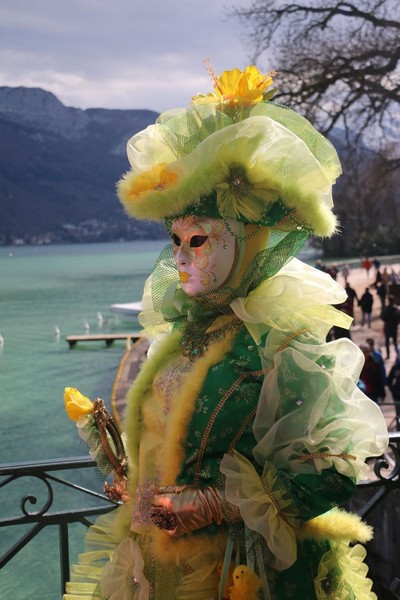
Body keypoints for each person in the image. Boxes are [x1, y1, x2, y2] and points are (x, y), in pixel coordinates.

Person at [63, 65, 388, 600]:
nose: (181, 257)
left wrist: (210, 505)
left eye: (200, 240)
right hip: (154, 568)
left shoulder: (279, 339)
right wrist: (134, 484)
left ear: (246, 239)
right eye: (175, 240)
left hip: (239, 573)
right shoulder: (182, 335)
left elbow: (331, 471)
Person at [381, 295, 400, 359]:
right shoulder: (396, 309)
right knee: (395, 342)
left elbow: (383, 318)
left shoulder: (386, 309)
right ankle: (397, 354)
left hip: (388, 327)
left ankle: (388, 355)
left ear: (389, 301)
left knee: (387, 342)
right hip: (394, 327)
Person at [387, 356, 400, 430]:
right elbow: (389, 381)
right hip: (397, 397)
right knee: (398, 415)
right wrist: (394, 391)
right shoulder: (395, 368)